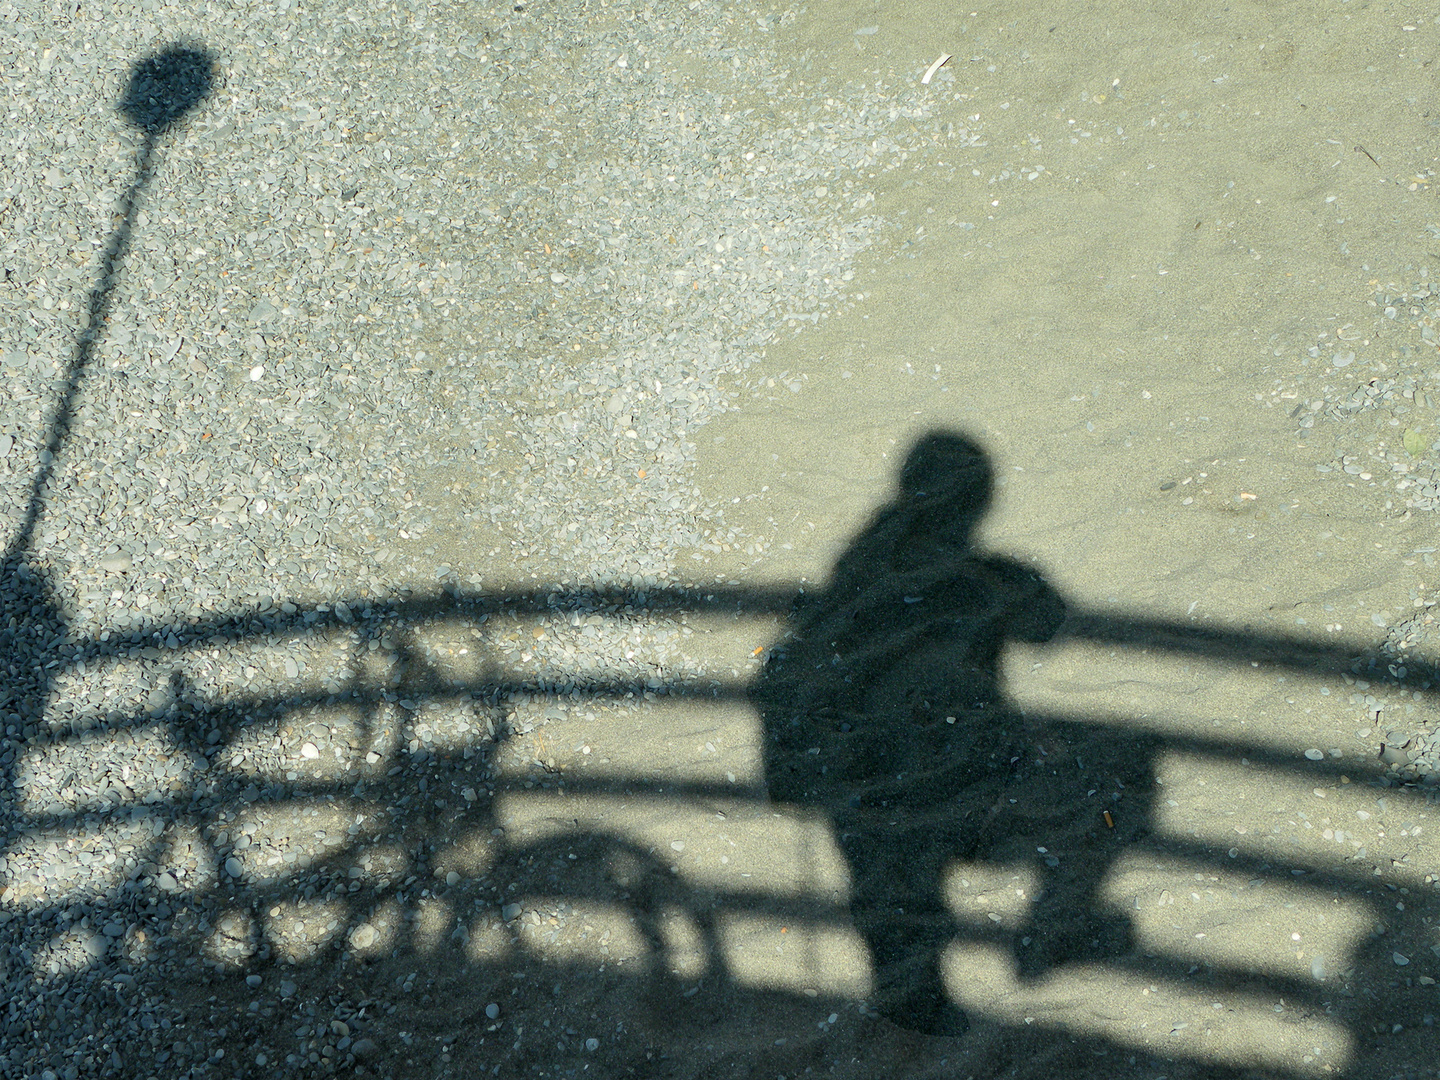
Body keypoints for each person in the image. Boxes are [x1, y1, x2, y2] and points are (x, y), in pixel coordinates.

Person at [752, 430, 1073, 1036]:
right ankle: (1054, 924)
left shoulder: (858, 565)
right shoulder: (979, 576)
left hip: (854, 768)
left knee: (891, 893)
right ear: (976, 503)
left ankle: (909, 1004)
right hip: (934, 764)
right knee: (1096, 788)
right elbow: (1048, 620)